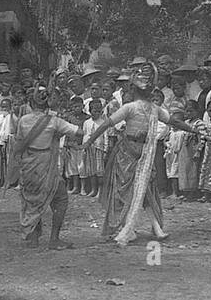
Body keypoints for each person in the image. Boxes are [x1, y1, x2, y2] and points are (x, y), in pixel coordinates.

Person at [83, 62, 202, 246]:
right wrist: (90, 140)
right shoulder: (130, 108)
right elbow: (107, 124)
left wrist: (193, 129)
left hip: (145, 154)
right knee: (129, 191)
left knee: (147, 189)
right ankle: (128, 227)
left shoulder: (153, 109)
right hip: (128, 153)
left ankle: (154, 227)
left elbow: (174, 122)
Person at [11, 86, 87, 249]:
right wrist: (58, 131)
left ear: (31, 103)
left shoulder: (23, 120)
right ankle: (54, 239)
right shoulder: (54, 121)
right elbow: (79, 133)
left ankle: (33, 237)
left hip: (29, 163)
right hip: (46, 162)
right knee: (60, 199)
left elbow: (17, 143)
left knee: (32, 199)